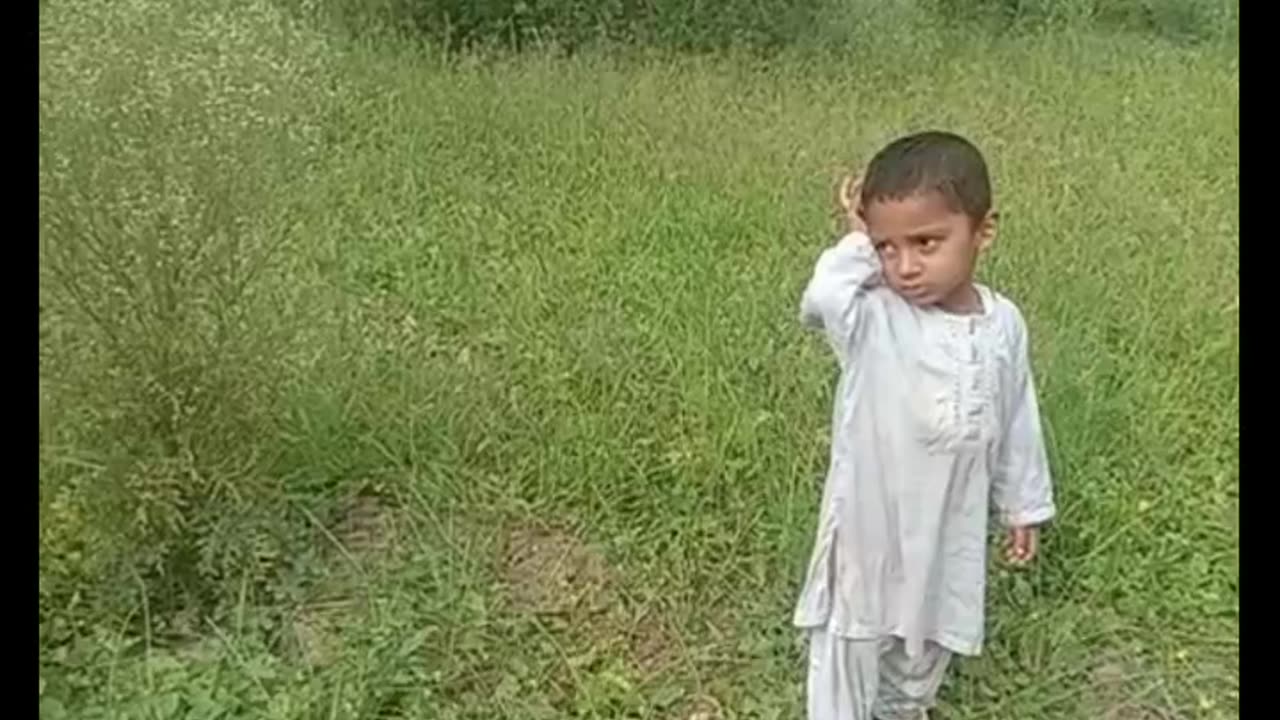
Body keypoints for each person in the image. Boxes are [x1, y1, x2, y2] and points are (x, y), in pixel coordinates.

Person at [795, 131, 1056, 720]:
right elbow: (821, 297)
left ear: (983, 230)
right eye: (888, 248)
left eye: (927, 242)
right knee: (847, 660)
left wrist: (1023, 504)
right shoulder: (872, 315)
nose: (905, 266)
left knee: (922, 655)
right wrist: (860, 240)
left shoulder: (1003, 324)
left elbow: (1017, 416)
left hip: (948, 529)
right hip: (868, 535)